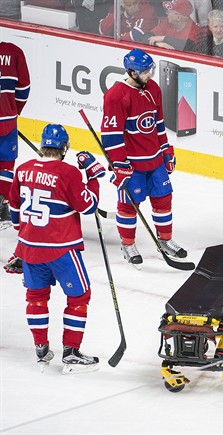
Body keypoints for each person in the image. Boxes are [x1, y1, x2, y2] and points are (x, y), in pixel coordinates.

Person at [8, 124, 105, 373]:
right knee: (79, 296)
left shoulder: (23, 169)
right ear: (64, 148)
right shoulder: (68, 172)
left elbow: (15, 210)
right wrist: (93, 176)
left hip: (30, 249)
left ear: (42, 145)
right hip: (61, 248)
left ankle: (41, 348)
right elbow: (89, 206)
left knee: (36, 297)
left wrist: (22, 244)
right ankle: (71, 353)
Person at [102, 48, 186, 266]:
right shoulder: (116, 96)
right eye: (145, 71)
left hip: (155, 159)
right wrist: (120, 165)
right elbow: (112, 135)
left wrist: (166, 150)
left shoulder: (153, 88)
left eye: (151, 69)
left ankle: (165, 240)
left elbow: (158, 123)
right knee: (129, 205)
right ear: (131, 72)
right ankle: (128, 244)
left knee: (163, 198)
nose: (150, 74)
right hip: (132, 165)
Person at [0, 41, 30, 229]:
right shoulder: (13, 51)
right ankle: (2, 206)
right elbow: (23, 88)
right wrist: (13, 111)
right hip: (6, 121)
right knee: (6, 165)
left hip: (8, 118)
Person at [130, 0, 201, 51]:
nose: (166, 13)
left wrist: (163, 38)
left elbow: (190, 47)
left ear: (178, 17)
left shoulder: (194, 29)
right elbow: (144, 37)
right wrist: (157, 43)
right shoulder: (167, 23)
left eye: (169, 12)